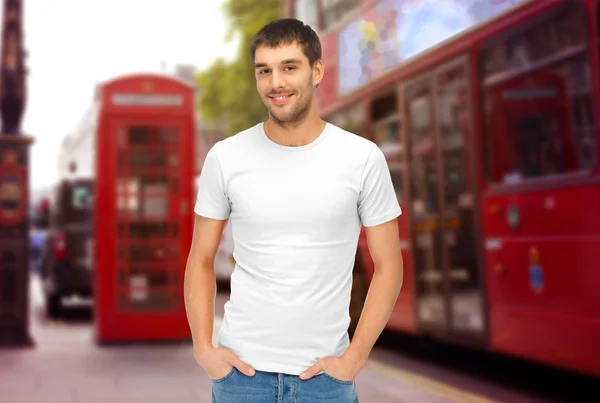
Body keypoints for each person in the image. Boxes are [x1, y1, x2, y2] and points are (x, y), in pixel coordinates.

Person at [184, 18, 403, 403]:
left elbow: (388, 265)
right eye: (264, 71)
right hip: (241, 380)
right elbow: (200, 258)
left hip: (325, 382)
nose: (275, 84)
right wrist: (204, 349)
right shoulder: (226, 157)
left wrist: (354, 358)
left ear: (316, 71)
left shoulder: (363, 158)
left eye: (289, 67)